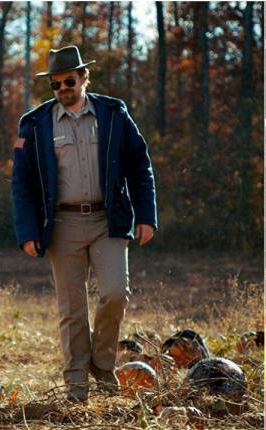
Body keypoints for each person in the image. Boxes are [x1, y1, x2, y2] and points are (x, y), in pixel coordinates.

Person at [11, 46, 157, 403]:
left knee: (114, 293)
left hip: (109, 220)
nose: (63, 88)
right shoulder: (34, 123)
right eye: (56, 83)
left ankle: (102, 363)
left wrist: (147, 215)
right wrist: (27, 231)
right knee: (72, 308)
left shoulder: (113, 113)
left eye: (69, 80)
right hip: (61, 224)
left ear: (84, 78)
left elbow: (140, 166)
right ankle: (76, 381)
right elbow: (22, 181)